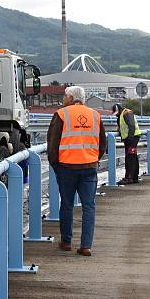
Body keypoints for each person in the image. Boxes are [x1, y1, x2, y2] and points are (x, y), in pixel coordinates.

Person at [47, 86, 106, 256]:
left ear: (71, 97)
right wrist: (93, 158)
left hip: (66, 167)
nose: (63, 99)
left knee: (67, 204)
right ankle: (86, 246)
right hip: (89, 167)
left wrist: (55, 165)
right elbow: (102, 143)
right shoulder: (95, 115)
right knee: (89, 206)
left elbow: (53, 143)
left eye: (65, 96)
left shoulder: (61, 114)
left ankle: (66, 242)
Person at [112, 103, 142, 185]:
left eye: (116, 113)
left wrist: (129, 138)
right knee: (133, 157)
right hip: (131, 138)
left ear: (118, 111)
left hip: (131, 138)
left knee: (130, 158)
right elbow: (123, 125)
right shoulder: (122, 115)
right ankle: (134, 177)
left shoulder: (126, 113)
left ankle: (129, 178)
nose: (115, 115)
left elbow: (131, 125)